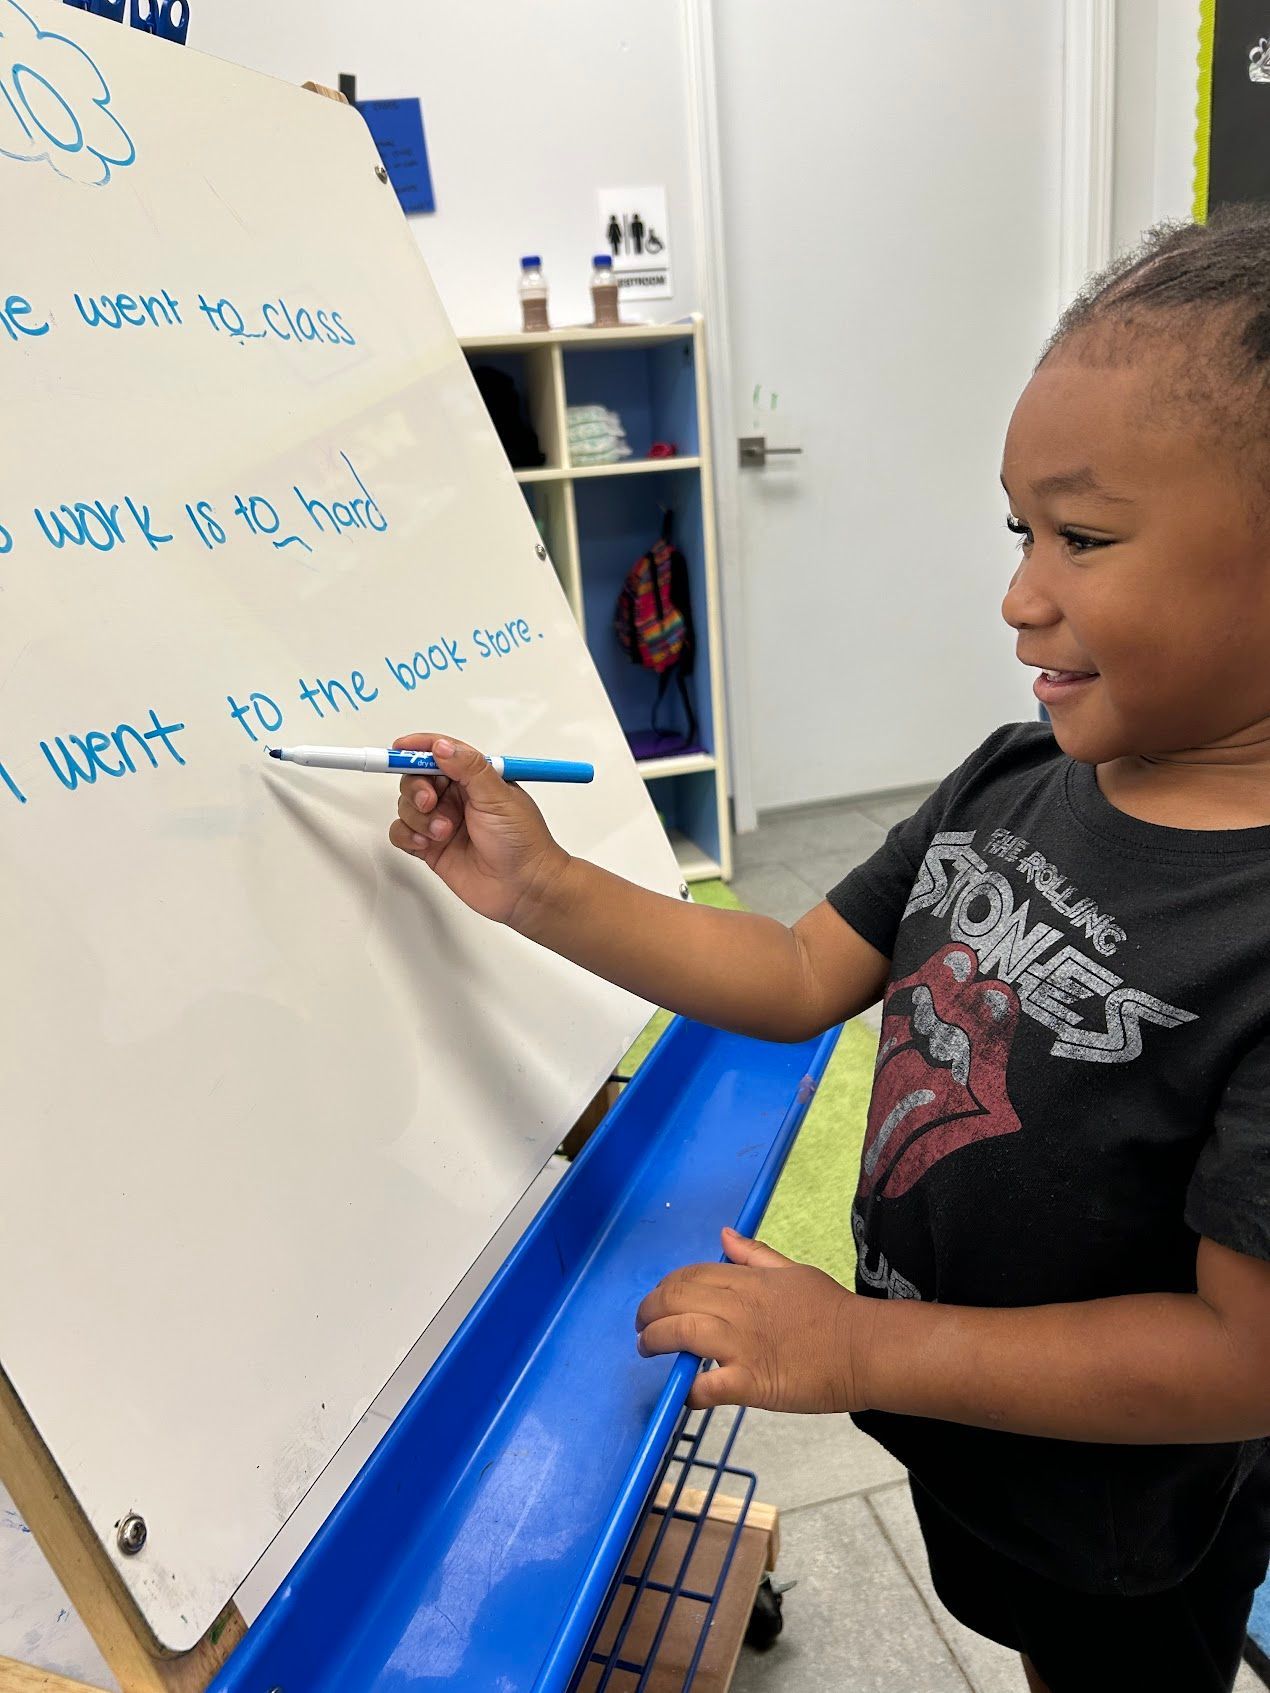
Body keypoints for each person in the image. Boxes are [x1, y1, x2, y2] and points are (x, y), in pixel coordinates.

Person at [387, 207, 1270, 1693]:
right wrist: (539, 887)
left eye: (1085, 538)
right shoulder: (1006, 777)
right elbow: (799, 974)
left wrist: (856, 1349)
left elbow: (1235, 1351)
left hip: (1121, 1516)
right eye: (1017, 530)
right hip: (970, 1437)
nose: (1018, 595)